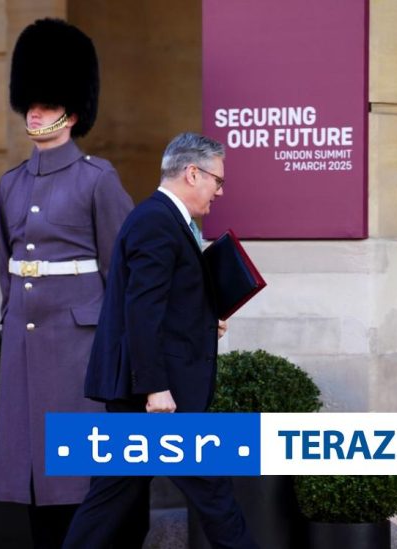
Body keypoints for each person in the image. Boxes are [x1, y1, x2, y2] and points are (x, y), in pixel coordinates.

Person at [0, 18, 146, 548]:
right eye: (30, 104)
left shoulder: (97, 180)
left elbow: (122, 273)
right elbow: (8, 269)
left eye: (46, 104)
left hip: (79, 349)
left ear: (72, 113)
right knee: (35, 477)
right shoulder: (10, 184)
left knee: (77, 480)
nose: (34, 112)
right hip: (25, 345)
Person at [63, 132, 258, 549]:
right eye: (218, 181)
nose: (220, 191)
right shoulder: (156, 221)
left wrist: (203, 320)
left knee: (110, 503)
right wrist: (155, 388)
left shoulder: (164, 219)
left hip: (151, 393)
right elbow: (141, 310)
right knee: (214, 494)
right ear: (193, 173)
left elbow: (163, 302)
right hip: (158, 397)